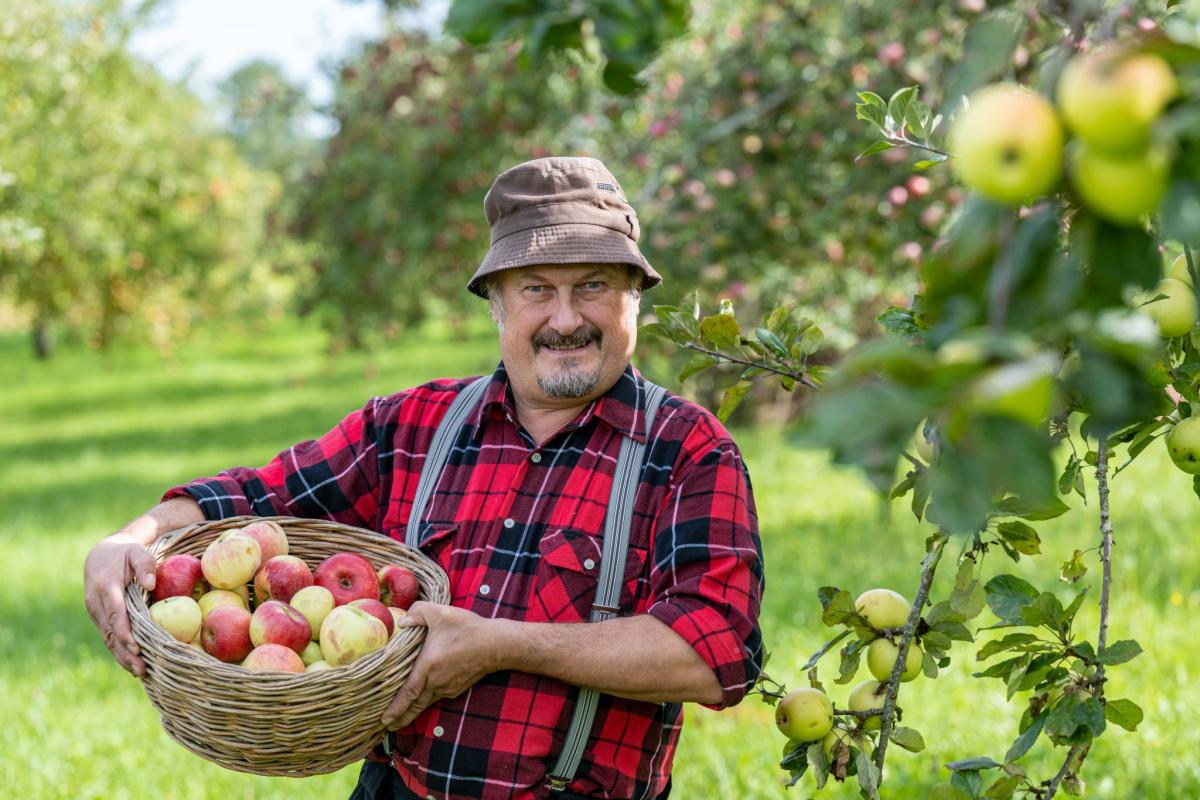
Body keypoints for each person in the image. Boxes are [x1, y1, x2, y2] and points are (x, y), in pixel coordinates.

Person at [83, 156, 764, 800]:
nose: (565, 318)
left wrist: (503, 646)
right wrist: (133, 537)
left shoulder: (688, 452)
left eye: (593, 285)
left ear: (633, 299)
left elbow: (715, 652)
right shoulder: (412, 426)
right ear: (496, 303)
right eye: (536, 288)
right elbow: (255, 498)